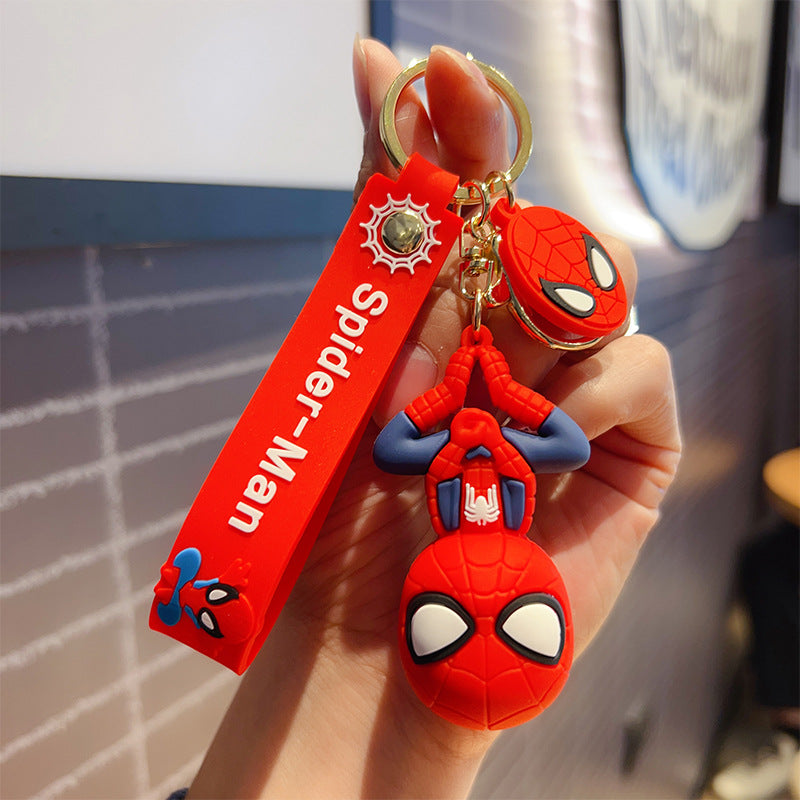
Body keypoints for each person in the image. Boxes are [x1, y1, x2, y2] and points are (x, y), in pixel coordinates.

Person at [184, 40, 681, 799]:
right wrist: (465, 404)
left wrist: (481, 404)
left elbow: (423, 447)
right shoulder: (488, 473)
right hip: (465, 538)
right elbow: (548, 445)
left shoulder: (469, 473)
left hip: (473, 527)